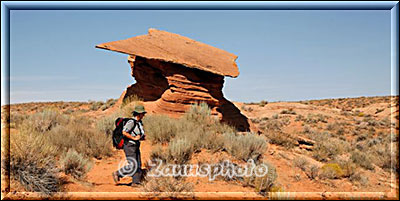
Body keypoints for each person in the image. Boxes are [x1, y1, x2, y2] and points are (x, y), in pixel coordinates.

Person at [112, 105, 146, 186]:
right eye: (142, 113)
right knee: (133, 164)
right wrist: (133, 138)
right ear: (138, 114)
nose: (144, 115)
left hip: (136, 145)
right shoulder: (131, 122)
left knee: (138, 164)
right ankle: (118, 173)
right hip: (129, 145)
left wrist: (140, 137)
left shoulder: (139, 123)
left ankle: (135, 182)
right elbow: (124, 132)